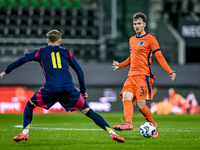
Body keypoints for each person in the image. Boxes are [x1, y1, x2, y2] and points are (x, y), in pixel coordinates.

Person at [0, 30, 125, 143]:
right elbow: (79, 70)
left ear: (47, 40)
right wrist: (83, 90)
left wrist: (6, 71)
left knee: (30, 105)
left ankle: (25, 133)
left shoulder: (41, 51)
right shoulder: (67, 53)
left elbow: (23, 59)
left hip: (51, 88)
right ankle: (112, 133)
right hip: (68, 89)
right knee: (89, 112)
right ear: (60, 40)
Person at [111, 12, 176, 137]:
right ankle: (128, 123)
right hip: (131, 76)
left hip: (143, 76)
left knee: (140, 105)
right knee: (126, 96)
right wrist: (120, 65)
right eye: (135, 24)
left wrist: (169, 70)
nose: (136, 26)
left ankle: (153, 125)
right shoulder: (132, 39)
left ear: (144, 24)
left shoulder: (151, 40)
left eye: (139, 24)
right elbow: (132, 57)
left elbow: (159, 56)